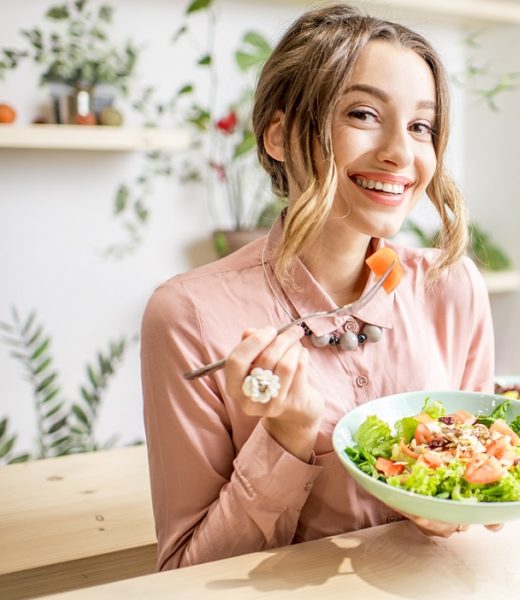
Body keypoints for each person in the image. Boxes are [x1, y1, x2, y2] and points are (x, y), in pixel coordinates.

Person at [140, 4, 496, 571]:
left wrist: (459, 504)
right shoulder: (188, 315)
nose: (401, 153)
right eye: (362, 113)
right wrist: (286, 436)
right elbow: (185, 575)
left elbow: (488, 499)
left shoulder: (451, 287)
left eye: (420, 126)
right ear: (279, 135)